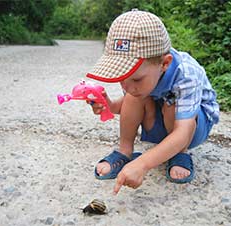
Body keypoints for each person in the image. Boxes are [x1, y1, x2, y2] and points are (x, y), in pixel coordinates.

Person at [85, 9, 219, 194]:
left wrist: (143, 163)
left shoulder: (186, 74)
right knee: (135, 96)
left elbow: (183, 130)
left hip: (192, 128)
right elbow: (125, 105)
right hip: (160, 123)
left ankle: (180, 153)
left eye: (136, 79)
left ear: (165, 63)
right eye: (123, 78)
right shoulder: (138, 79)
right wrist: (107, 105)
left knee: (171, 102)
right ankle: (125, 151)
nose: (128, 86)